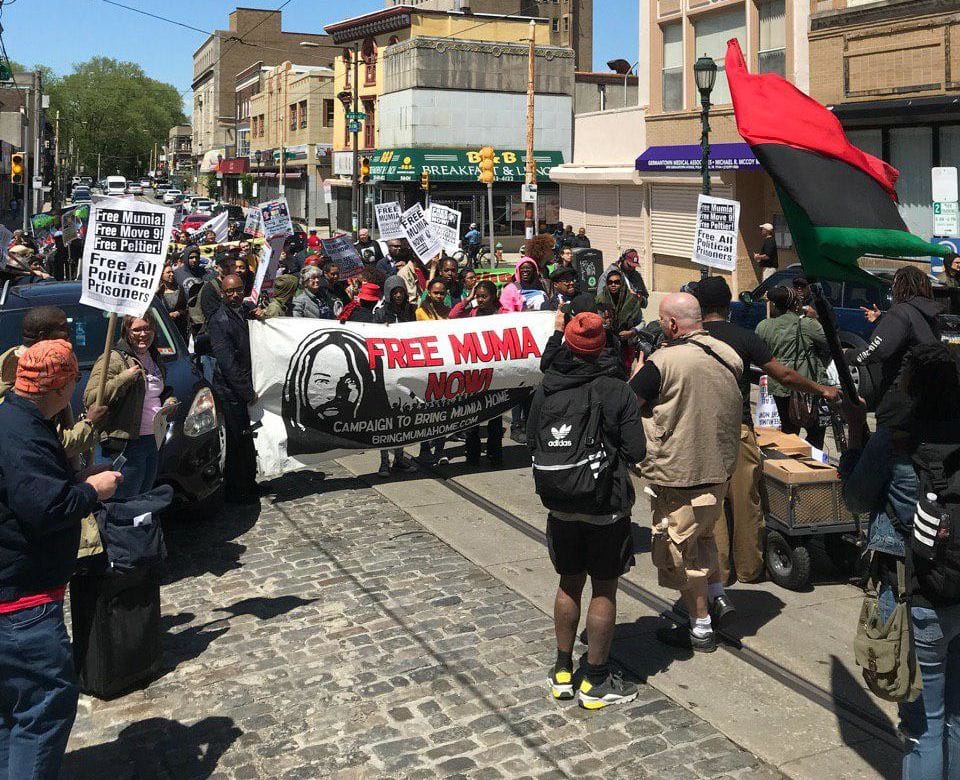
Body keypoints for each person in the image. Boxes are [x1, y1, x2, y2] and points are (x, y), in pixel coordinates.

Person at [0, 340, 121, 779]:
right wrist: (92, 491)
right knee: (43, 710)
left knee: (12, 713)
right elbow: (44, 508)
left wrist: (75, 480)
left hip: (17, 596)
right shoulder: (23, 432)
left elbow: (29, 490)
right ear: (61, 387)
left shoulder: (15, 418)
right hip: (22, 605)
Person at [839, 343, 960, 779]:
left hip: (917, 591)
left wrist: (856, 435)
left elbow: (855, 498)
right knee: (955, 717)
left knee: (923, 725)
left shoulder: (894, 442)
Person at [529, 312, 646, 709]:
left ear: (567, 343)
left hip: (560, 504)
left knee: (569, 583)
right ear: (602, 346)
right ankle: (595, 680)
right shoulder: (617, 390)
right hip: (605, 507)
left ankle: (562, 672)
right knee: (604, 588)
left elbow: (531, 440)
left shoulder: (547, 387)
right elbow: (637, 451)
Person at [693, 276, 840, 585]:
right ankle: (749, 569)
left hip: (701, 432)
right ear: (728, 305)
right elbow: (784, 375)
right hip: (738, 429)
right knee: (746, 502)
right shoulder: (744, 337)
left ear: (699, 307)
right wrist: (821, 389)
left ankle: (719, 573)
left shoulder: (689, 340)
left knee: (713, 504)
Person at [631, 293, 743, 652]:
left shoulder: (662, 362)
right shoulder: (728, 354)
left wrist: (635, 374)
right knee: (704, 535)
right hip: (719, 468)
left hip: (679, 473)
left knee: (680, 552)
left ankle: (700, 626)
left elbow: (629, 404)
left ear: (672, 324)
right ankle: (717, 595)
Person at [85, 313, 178, 500]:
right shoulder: (113, 359)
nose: (143, 334)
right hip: (125, 445)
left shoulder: (153, 356)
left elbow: (152, 393)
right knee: (123, 503)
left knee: (143, 500)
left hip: (152, 440)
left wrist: (168, 400)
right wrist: (123, 378)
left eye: (147, 328)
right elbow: (90, 398)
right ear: (126, 332)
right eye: (137, 330)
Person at [0, 306, 108, 460]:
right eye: (63, 328)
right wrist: (89, 424)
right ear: (43, 336)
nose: (69, 332)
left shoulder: (14, 360)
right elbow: (51, 446)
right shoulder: (30, 375)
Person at [853, 265, 943, 433]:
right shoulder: (930, 315)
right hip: (925, 394)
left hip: (899, 396)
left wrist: (849, 355)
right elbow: (907, 336)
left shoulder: (901, 311)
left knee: (881, 447)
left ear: (900, 286)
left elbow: (877, 351)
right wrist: (881, 320)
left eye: (894, 284)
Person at [755, 286, 831, 449]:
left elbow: (759, 354)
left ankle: (791, 458)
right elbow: (830, 342)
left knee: (789, 431)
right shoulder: (807, 324)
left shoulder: (763, 326)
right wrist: (815, 318)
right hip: (808, 386)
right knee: (816, 431)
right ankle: (812, 460)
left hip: (779, 386)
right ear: (796, 304)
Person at [207, 274, 259, 503]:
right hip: (230, 391)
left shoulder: (246, 311)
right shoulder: (219, 320)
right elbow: (227, 364)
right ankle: (237, 491)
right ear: (222, 294)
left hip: (247, 384)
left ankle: (250, 483)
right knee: (236, 441)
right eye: (230, 291)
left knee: (248, 440)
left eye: (238, 290)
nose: (235, 295)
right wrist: (247, 392)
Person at [453, 281, 507, 465]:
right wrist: (468, 299)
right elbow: (453, 316)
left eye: (484, 296)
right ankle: (473, 454)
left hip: (496, 373)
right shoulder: (473, 313)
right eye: (478, 296)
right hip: (475, 373)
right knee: (472, 416)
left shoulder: (503, 314)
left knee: (495, 416)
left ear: (493, 296)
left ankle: (495, 454)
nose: (481, 300)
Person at [596, 268, 644, 370]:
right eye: (610, 282)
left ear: (622, 283)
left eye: (617, 282)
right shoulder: (600, 300)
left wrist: (632, 332)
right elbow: (597, 322)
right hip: (607, 344)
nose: (613, 285)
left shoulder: (632, 300)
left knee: (625, 369)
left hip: (627, 343)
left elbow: (642, 322)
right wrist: (605, 323)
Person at [157, 263, 188, 338]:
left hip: (179, 328)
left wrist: (178, 313)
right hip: (163, 329)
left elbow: (186, 308)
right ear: (161, 275)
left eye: (172, 272)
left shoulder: (180, 290)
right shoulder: (158, 293)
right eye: (168, 272)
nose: (172, 274)